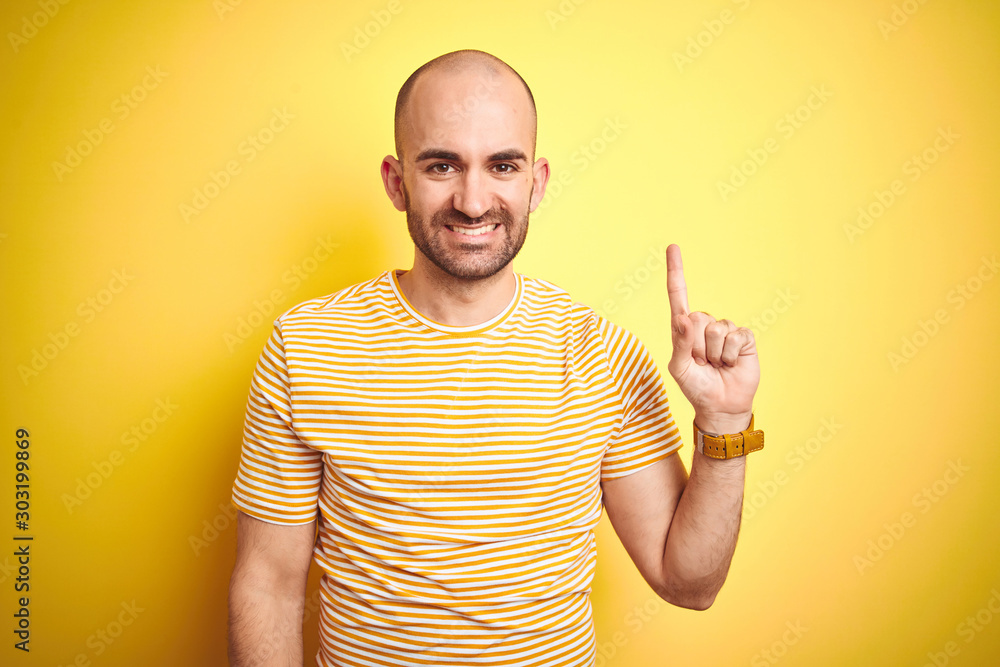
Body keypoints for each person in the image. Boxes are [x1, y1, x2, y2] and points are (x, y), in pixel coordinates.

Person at [227, 49, 762, 667]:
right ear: (397, 182)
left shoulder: (600, 353)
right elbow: (267, 586)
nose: (474, 201)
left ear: (535, 183)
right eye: (441, 165)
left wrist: (724, 425)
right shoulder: (305, 346)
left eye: (502, 165)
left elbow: (689, 584)